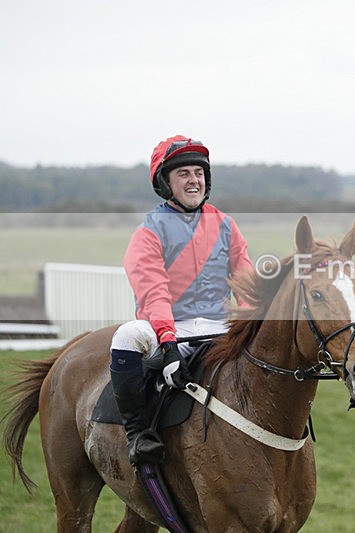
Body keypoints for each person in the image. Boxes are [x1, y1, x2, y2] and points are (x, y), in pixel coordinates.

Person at [109, 135, 253, 466]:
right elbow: (154, 293)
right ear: (166, 182)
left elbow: (246, 285)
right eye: (183, 173)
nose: (194, 180)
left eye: (198, 173)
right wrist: (169, 344)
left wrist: (252, 323)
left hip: (220, 325)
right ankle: (138, 435)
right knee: (126, 336)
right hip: (168, 328)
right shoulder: (148, 232)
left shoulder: (227, 225)